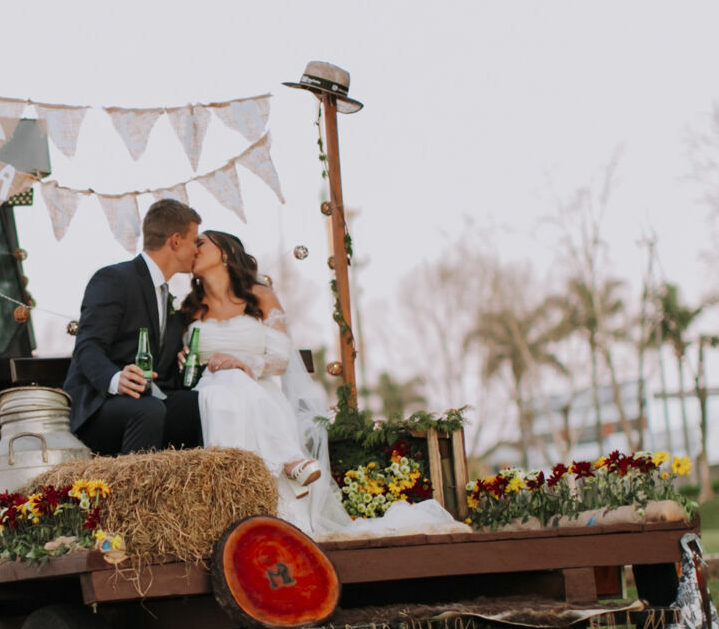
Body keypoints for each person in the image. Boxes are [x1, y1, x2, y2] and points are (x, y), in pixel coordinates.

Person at [184, 230, 465, 538]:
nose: (193, 248)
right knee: (224, 390)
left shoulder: (259, 296)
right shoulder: (188, 309)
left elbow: (281, 360)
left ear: (225, 252)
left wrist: (242, 362)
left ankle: (277, 483)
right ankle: (286, 462)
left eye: (201, 242)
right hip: (210, 392)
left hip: (259, 395)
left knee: (237, 380)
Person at [65, 199, 205, 454]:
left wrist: (188, 366)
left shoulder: (166, 296)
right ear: (176, 241)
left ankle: (184, 481)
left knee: (195, 405)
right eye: (195, 241)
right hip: (100, 405)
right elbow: (88, 347)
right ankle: (135, 482)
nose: (197, 249)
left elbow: (162, 372)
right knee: (148, 409)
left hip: (149, 401)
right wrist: (116, 379)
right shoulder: (114, 279)